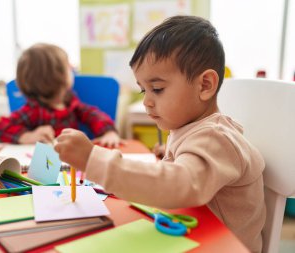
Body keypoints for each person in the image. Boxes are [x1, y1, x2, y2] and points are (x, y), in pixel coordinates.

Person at [54, 16, 265, 253]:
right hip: (196, 236)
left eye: (157, 89)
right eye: (144, 89)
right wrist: (173, 155)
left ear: (205, 85)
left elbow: (182, 184)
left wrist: (93, 159)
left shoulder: (215, 137)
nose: (146, 101)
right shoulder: (193, 129)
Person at [0, 43, 121, 147]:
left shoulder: (70, 102)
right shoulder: (33, 110)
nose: (72, 68)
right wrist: (27, 136)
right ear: (57, 77)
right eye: (68, 67)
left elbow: (93, 115)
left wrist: (108, 132)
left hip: (73, 163)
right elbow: (0, 127)